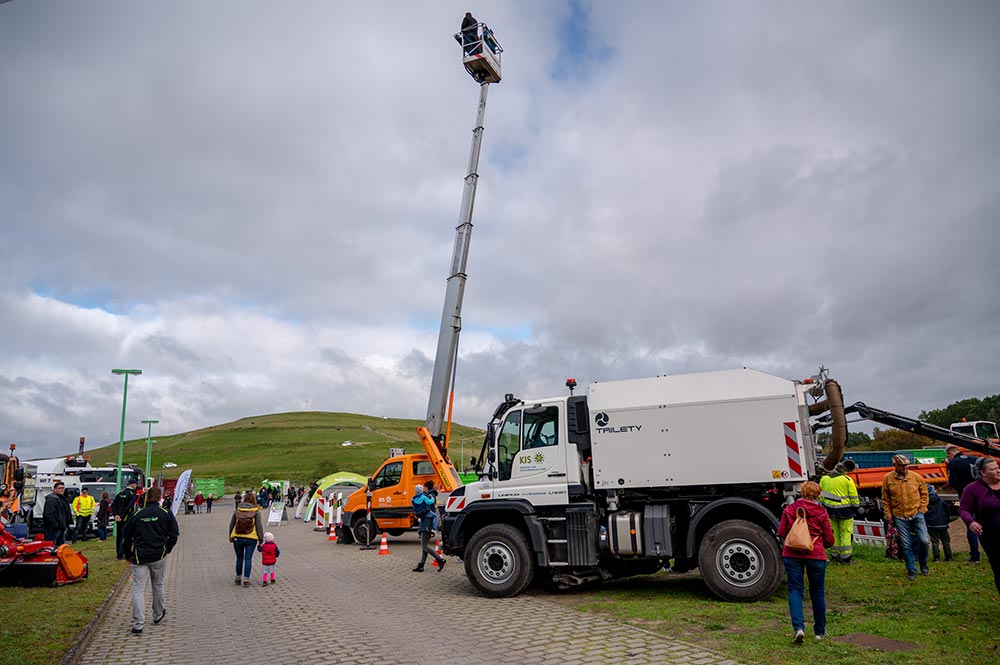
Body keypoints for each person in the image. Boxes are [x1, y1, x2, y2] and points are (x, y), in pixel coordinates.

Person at [777, 481, 835, 644]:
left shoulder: (790, 509)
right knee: (817, 592)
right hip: (815, 555)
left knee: (795, 590)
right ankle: (820, 632)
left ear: (801, 493)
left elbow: (781, 532)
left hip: (792, 554)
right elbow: (829, 540)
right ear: (817, 494)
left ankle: (799, 628)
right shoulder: (821, 512)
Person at [122, 486, 179, 635]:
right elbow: (174, 534)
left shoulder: (137, 514)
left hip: (140, 556)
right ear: (160, 497)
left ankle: (138, 624)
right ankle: (158, 614)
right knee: (158, 585)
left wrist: (127, 554)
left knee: (138, 589)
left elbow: (126, 537)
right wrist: (167, 549)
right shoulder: (166, 513)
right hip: (159, 555)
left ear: (146, 497)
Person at [882, 454, 930, 580]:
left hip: (916, 513)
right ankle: (911, 569)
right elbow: (885, 499)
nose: (904, 468)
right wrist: (888, 514)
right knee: (905, 544)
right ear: (895, 466)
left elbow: (924, 494)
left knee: (924, 541)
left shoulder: (916, 477)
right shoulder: (888, 479)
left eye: (906, 465)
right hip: (899, 516)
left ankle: (923, 562)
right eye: (901, 466)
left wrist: (922, 510)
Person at [959, 457, 1000, 595]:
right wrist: (971, 522)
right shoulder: (973, 489)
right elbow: (964, 510)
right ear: (983, 472)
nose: (998, 470)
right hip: (992, 537)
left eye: (998, 467)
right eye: (993, 469)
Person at [818, 461, 860, 564]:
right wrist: (856, 506)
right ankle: (846, 557)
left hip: (829, 510)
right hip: (845, 511)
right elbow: (854, 497)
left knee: (834, 533)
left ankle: (834, 554)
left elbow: (820, 495)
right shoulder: (847, 480)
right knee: (845, 533)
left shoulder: (824, 479)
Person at [946, 444, 981, 563]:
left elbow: (953, 481)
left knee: (971, 525)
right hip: (981, 495)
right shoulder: (975, 459)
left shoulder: (953, 463)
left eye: (948, 456)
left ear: (950, 454)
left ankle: (975, 555)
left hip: (967, 498)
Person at [229, 491, 264, 586]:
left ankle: (238, 577)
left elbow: (232, 524)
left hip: (238, 537)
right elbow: (259, 526)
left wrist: (230, 536)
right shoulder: (256, 511)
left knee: (239, 558)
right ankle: (246, 579)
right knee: (248, 558)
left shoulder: (238, 510)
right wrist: (261, 540)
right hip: (251, 538)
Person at [411, 484, 446, 572]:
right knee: (424, 546)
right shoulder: (428, 496)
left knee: (424, 546)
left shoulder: (425, 497)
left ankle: (440, 560)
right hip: (425, 521)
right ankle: (421, 565)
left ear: (426, 488)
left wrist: (417, 514)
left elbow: (426, 509)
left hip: (426, 522)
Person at [112, 479, 141, 560]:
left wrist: (116, 515)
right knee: (127, 536)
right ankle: (125, 552)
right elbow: (129, 507)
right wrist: (122, 516)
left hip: (119, 520)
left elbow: (113, 505)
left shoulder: (120, 494)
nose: (136, 486)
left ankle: (119, 554)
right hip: (127, 519)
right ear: (132, 485)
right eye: (135, 484)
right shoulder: (132, 494)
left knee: (119, 536)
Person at [924, 484, 952, 562]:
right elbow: (948, 509)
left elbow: (924, 513)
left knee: (935, 541)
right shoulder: (940, 500)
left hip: (932, 524)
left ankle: (936, 557)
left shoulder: (926, 502)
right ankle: (948, 556)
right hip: (943, 524)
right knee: (946, 541)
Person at [42, 481, 74, 546]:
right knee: (52, 545)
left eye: (63, 488)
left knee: (60, 546)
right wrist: (55, 524)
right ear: (54, 489)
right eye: (59, 488)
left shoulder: (62, 498)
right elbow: (48, 513)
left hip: (61, 526)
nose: (61, 489)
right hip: (53, 528)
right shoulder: (52, 499)